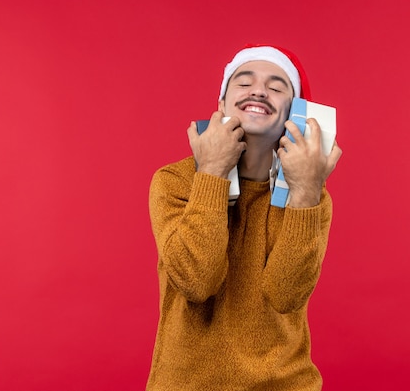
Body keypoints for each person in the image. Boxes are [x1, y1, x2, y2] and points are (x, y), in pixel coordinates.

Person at [146, 45, 342, 390]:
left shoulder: (310, 196)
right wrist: (211, 172)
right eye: (244, 82)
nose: (259, 90)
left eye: (277, 86)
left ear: (296, 113)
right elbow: (196, 281)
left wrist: (306, 193)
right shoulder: (174, 181)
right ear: (221, 104)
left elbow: (285, 295)